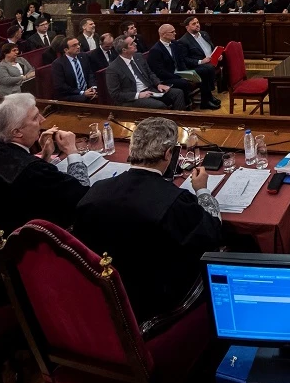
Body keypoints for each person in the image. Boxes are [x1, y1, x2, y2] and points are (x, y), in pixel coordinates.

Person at [73, 116, 221, 320]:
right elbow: (212, 232)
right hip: (157, 304)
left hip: (105, 299)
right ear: (169, 153)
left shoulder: (96, 191)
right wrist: (202, 190)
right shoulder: (175, 202)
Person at [0, 93, 90, 280]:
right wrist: (72, 152)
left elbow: (23, 187)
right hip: (18, 272)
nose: (43, 120)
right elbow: (81, 195)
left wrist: (44, 158)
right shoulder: (33, 172)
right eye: (35, 117)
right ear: (17, 132)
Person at [105, 34, 187, 110]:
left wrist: (158, 84)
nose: (135, 44)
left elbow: (150, 73)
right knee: (159, 105)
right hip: (133, 98)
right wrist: (138, 95)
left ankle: (180, 120)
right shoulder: (113, 69)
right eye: (132, 43)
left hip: (150, 89)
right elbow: (115, 94)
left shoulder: (139, 57)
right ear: (124, 50)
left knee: (178, 93)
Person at [148, 24, 218, 110]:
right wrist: (180, 77)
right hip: (168, 77)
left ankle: (206, 100)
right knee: (183, 83)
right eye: (172, 32)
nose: (175, 33)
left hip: (180, 72)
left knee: (205, 70)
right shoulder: (155, 50)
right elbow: (160, 72)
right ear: (163, 34)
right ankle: (187, 105)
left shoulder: (174, 44)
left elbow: (181, 61)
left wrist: (187, 72)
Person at [178, 16, 220, 106]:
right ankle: (206, 100)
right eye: (194, 24)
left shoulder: (204, 34)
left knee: (215, 64)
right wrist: (201, 61)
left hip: (209, 61)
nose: (197, 25)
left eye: (197, 22)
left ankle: (211, 96)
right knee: (206, 69)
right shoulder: (183, 41)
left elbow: (211, 48)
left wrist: (216, 55)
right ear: (187, 27)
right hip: (195, 65)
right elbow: (185, 59)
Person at [51, 37, 98, 103]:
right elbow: (61, 86)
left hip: (87, 91)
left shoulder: (84, 56)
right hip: (71, 95)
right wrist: (82, 92)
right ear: (66, 50)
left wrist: (93, 87)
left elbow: (90, 74)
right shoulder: (58, 64)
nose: (78, 47)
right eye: (74, 45)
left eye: (78, 44)